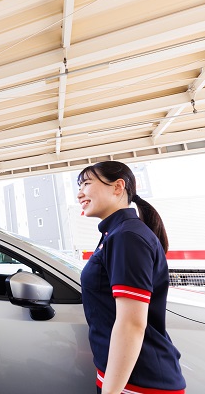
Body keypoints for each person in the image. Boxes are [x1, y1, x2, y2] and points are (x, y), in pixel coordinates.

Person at [76, 161, 186, 394]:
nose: (79, 193)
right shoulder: (115, 233)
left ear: (117, 187)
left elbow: (131, 324)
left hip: (139, 383)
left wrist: (111, 391)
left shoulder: (127, 236)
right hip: (122, 377)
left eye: (86, 183)